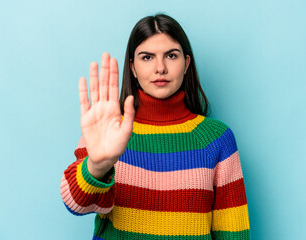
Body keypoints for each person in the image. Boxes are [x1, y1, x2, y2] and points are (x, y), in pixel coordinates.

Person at [60, 14, 251, 240]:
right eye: (147, 57)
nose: (160, 68)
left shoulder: (216, 138)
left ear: (186, 63)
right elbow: (75, 204)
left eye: (171, 55)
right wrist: (98, 165)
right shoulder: (109, 129)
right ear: (132, 67)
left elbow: (234, 233)